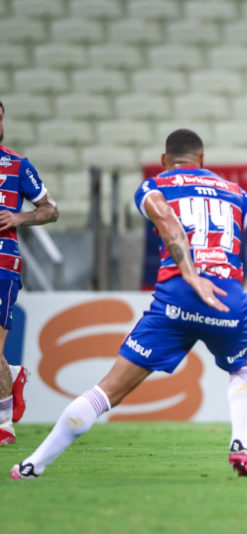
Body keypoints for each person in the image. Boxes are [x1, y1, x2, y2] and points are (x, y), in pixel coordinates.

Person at [10, 129, 247, 478]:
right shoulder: (232, 191)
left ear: (165, 160)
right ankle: (241, 444)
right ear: (202, 159)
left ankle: (32, 464)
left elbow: (167, 219)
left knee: (107, 391)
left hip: (177, 296)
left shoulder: (154, 186)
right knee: (246, 367)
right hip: (227, 297)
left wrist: (190, 274)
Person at [0, 100, 59, 445]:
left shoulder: (17, 165)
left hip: (3, 264)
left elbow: (51, 209)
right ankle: (12, 375)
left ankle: (4, 424)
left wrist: (18, 218)